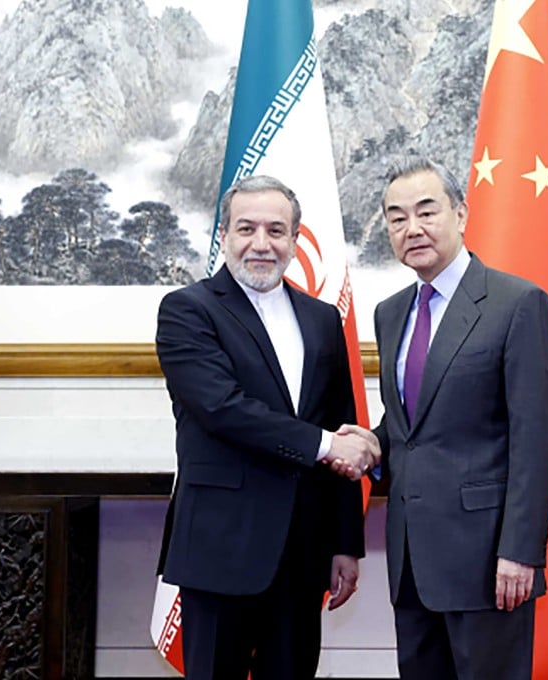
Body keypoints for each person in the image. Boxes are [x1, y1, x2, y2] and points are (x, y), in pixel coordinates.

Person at [155, 175, 380, 680]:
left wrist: (345, 542)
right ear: (225, 236)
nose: (261, 243)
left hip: (302, 554)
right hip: (219, 549)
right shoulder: (188, 310)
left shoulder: (323, 319)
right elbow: (222, 408)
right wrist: (327, 446)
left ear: (295, 240)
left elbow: (340, 419)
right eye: (246, 228)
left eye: (276, 230)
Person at [354, 155, 548, 680]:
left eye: (427, 211)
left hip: (488, 562)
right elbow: (414, 427)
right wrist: (372, 444)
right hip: (411, 561)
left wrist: (521, 551)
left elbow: (537, 440)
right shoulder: (391, 313)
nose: (413, 228)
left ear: (461, 213)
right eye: (397, 218)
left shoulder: (518, 304)